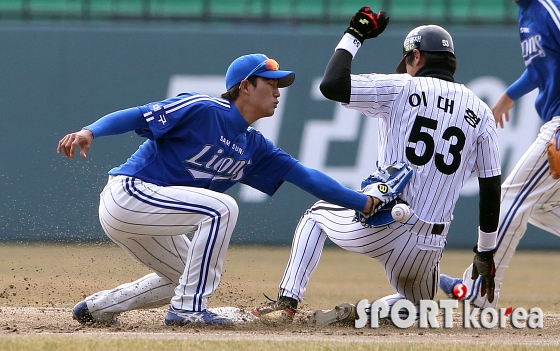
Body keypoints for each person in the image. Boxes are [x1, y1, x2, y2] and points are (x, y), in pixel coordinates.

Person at [57, 53, 382, 326]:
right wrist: (91, 132)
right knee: (222, 208)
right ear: (245, 86)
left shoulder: (255, 146)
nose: (278, 92)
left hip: (157, 216)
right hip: (129, 195)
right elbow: (138, 115)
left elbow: (308, 178)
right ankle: (188, 311)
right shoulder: (205, 108)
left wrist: (364, 203)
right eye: (271, 83)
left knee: (185, 277)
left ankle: (98, 309)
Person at [252, 7, 502, 323]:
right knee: (416, 309)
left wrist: (354, 35)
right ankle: (363, 314)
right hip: (428, 247)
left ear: (416, 58)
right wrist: (485, 252)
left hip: (384, 223)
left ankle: (287, 303)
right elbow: (491, 186)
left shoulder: (400, 87)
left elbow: (332, 85)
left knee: (315, 217)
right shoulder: (481, 113)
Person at [440, 0, 560, 308]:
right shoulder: (527, 12)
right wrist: (508, 96)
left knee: (512, 199)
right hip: (553, 117)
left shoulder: (550, 6)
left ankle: (478, 292)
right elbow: (539, 68)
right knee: (540, 207)